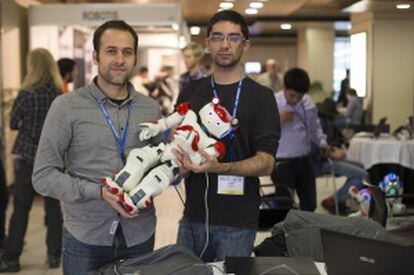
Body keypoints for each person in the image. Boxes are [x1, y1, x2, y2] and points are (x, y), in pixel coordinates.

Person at [32, 20, 162, 274]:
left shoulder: (151, 108)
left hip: (139, 234)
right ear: (95, 56)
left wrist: (179, 164)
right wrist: (98, 192)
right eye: (111, 51)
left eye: (127, 52)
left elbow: (162, 164)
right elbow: (42, 176)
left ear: (135, 58)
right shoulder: (66, 107)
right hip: (86, 237)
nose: (119, 59)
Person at [174, 10, 280, 262]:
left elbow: (267, 161)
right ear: (208, 44)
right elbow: (177, 145)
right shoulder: (191, 91)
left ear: (245, 44)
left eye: (233, 38)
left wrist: (220, 167)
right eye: (217, 37)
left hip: (238, 223)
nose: (224, 45)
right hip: (193, 218)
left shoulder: (261, 97)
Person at [0, 48, 64, 273]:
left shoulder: (26, 93)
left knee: (20, 208)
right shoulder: (58, 93)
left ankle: (12, 258)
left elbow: (13, 123)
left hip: (28, 158)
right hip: (52, 158)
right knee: (54, 207)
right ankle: (55, 255)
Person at [272, 68, 329, 212]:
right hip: (282, 163)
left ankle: (306, 233)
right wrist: (276, 119)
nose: (296, 100)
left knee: (310, 203)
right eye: (292, 95)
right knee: (284, 207)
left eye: (300, 96)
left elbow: (315, 127)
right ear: (284, 88)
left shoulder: (308, 103)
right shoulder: (273, 101)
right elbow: (258, 128)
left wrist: (322, 143)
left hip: (304, 160)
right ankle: (286, 234)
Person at [313, 98, 368, 215]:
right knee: (362, 175)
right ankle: (334, 201)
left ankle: (341, 200)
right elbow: (317, 148)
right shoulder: (321, 123)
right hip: (321, 162)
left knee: (361, 167)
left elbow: (330, 142)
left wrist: (334, 150)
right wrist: (333, 153)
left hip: (326, 158)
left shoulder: (324, 122)